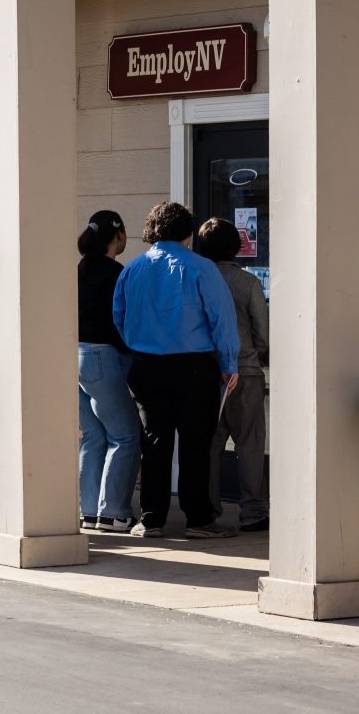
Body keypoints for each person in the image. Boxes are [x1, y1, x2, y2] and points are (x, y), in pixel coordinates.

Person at [113, 202, 239, 540]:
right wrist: (229, 363)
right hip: (194, 366)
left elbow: (120, 317)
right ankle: (198, 519)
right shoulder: (201, 268)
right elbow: (221, 318)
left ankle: (151, 518)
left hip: (146, 364)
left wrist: (141, 343)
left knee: (153, 442)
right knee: (196, 444)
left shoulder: (133, 269)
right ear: (187, 234)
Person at [195, 217, 270, 533]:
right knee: (249, 445)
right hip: (246, 371)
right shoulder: (248, 283)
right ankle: (252, 511)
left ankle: (208, 510)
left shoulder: (196, 279)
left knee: (209, 446)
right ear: (238, 247)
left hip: (206, 373)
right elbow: (263, 333)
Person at [76, 211, 140, 533]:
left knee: (93, 437)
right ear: (118, 235)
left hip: (73, 357)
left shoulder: (79, 270)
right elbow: (120, 321)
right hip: (101, 358)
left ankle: (89, 511)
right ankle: (114, 513)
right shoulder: (117, 273)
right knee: (126, 436)